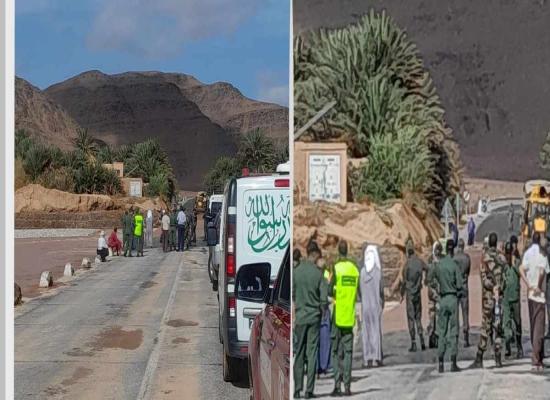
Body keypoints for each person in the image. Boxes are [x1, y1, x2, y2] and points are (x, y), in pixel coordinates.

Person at [293, 240, 328, 399]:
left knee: (299, 353)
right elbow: (323, 300)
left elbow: (292, 294)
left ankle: (297, 390)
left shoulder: (297, 271)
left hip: (300, 317)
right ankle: (309, 391)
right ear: (314, 254)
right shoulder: (318, 273)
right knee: (312, 352)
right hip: (314, 318)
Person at [470, 232, 505, 369]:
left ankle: (479, 356)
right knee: (498, 327)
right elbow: (505, 279)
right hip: (499, 298)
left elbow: (484, 280)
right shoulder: (502, 258)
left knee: (486, 326)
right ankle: (498, 358)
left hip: (488, 298)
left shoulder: (484, 258)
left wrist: (492, 287)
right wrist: (499, 288)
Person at [329, 240, 359, 397]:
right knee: (348, 352)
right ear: (347, 251)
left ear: (338, 251)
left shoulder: (336, 268)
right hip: (349, 316)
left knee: (336, 352)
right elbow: (357, 293)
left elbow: (329, 290)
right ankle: (347, 386)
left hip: (337, 315)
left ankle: (337, 385)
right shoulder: (354, 270)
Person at [429, 239, 463, 373]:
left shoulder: (438, 265)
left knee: (441, 331)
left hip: (442, 299)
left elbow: (429, 279)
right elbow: (460, 285)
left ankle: (441, 363)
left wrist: (437, 291)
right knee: (453, 330)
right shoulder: (454, 265)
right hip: (453, 298)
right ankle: (453, 362)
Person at [519, 232, 550, 371]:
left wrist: (528, 284)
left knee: (533, 325)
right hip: (539, 294)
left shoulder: (527, 253)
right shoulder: (542, 255)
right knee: (539, 326)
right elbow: (543, 272)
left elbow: (521, 268)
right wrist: (538, 285)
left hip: (530, 294)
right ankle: (536, 358)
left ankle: (537, 355)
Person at [360, 243, 384, 368]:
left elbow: (359, 291)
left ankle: (366, 358)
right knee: (375, 332)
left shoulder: (362, 273)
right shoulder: (378, 273)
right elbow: (381, 291)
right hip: (375, 306)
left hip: (365, 306)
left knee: (366, 332)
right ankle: (375, 358)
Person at [401, 241, 425, 352]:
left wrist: (401, 294)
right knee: (418, 317)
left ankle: (414, 343)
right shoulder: (419, 262)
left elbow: (404, 281)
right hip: (418, 293)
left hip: (410, 294)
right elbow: (428, 269)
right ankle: (422, 340)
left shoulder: (407, 265)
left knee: (411, 318)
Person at [503, 240, 523, 359]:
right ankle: (507, 347)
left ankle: (519, 346)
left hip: (515, 297)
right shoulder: (503, 265)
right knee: (506, 323)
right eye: (507, 253)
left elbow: (521, 273)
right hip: (506, 298)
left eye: (509, 253)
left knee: (518, 322)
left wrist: (514, 263)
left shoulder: (517, 263)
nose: (508, 255)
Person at [454, 239, 471, 347]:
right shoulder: (467, 258)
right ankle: (466, 338)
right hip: (464, 286)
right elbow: (468, 272)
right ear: (463, 246)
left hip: (456, 287)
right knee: (465, 313)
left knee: (455, 314)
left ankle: (455, 336)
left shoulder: (454, 258)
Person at [425, 242, 442, 349]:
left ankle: (434, 336)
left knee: (434, 315)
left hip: (434, 292)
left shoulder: (431, 261)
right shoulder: (437, 262)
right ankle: (435, 337)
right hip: (435, 293)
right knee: (435, 315)